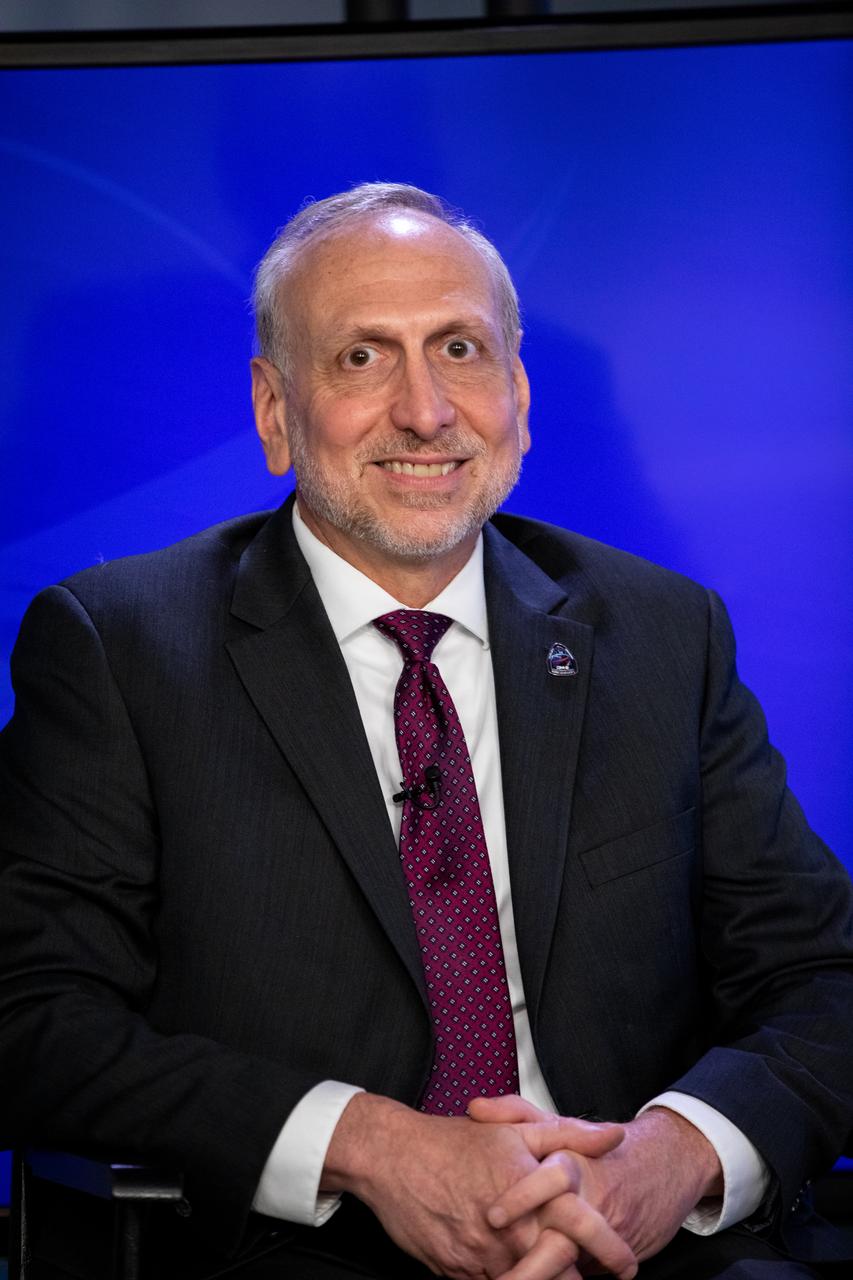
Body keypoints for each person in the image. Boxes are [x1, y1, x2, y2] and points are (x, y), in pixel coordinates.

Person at [1, 182, 852, 1280]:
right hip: (293, 1255)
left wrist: (670, 1158)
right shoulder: (121, 649)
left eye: (459, 348)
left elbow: (823, 977)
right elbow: (31, 1012)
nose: (425, 409)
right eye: (362, 357)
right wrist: (372, 1146)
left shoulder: (660, 632)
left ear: (519, 395)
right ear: (273, 410)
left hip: (640, 1251)